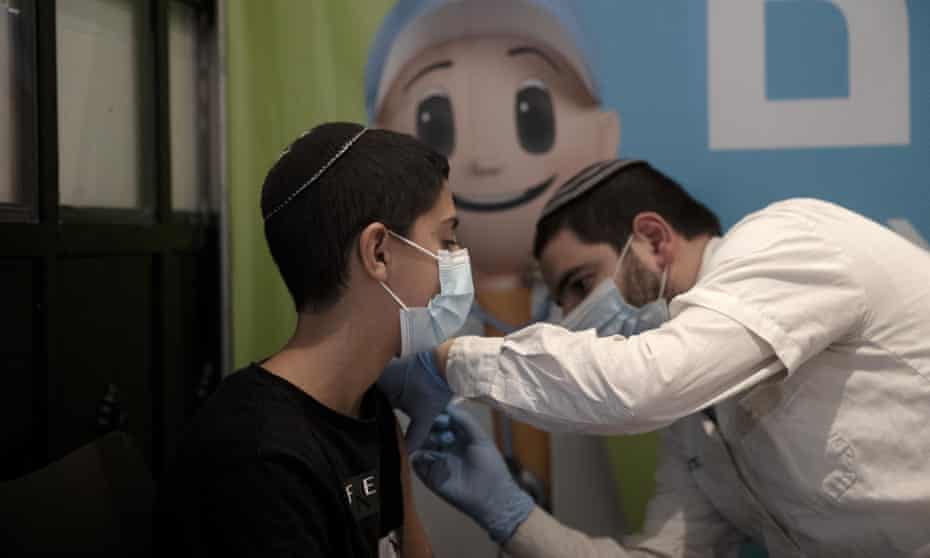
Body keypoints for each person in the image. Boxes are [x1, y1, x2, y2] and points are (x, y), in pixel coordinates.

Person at [385, 159, 930, 555]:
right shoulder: (700, 425)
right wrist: (510, 515)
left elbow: (645, 383)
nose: (572, 317)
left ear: (653, 239)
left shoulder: (785, 240)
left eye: (581, 284)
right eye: (561, 300)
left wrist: (450, 360)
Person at [160, 122, 473, 557]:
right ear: (378, 252)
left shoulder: (371, 410)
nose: (457, 261)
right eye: (447, 239)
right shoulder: (258, 458)